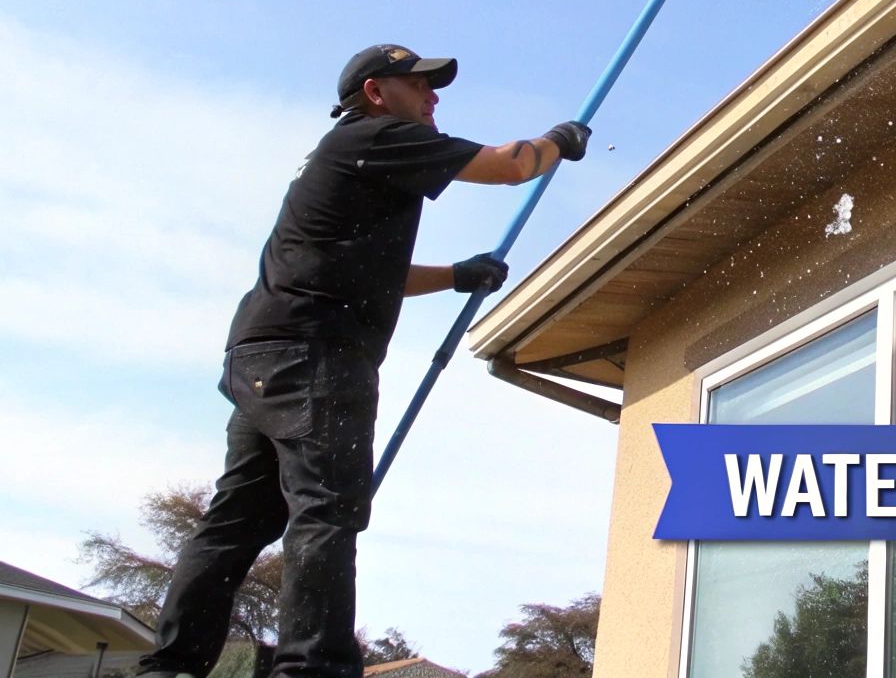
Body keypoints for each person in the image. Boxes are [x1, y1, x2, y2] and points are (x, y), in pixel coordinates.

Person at [138, 43, 590, 678]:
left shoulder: (349, 154)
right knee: (327, 509)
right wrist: (558, 141)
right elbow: (511, 167)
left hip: (263, 356)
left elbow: (368, 271)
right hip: (314, 356)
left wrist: (457, 276)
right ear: (377, 92)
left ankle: (170, 667)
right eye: (421, 85)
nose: (434, 97)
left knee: (237, 522)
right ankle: (312, 667)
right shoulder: (378, 137)